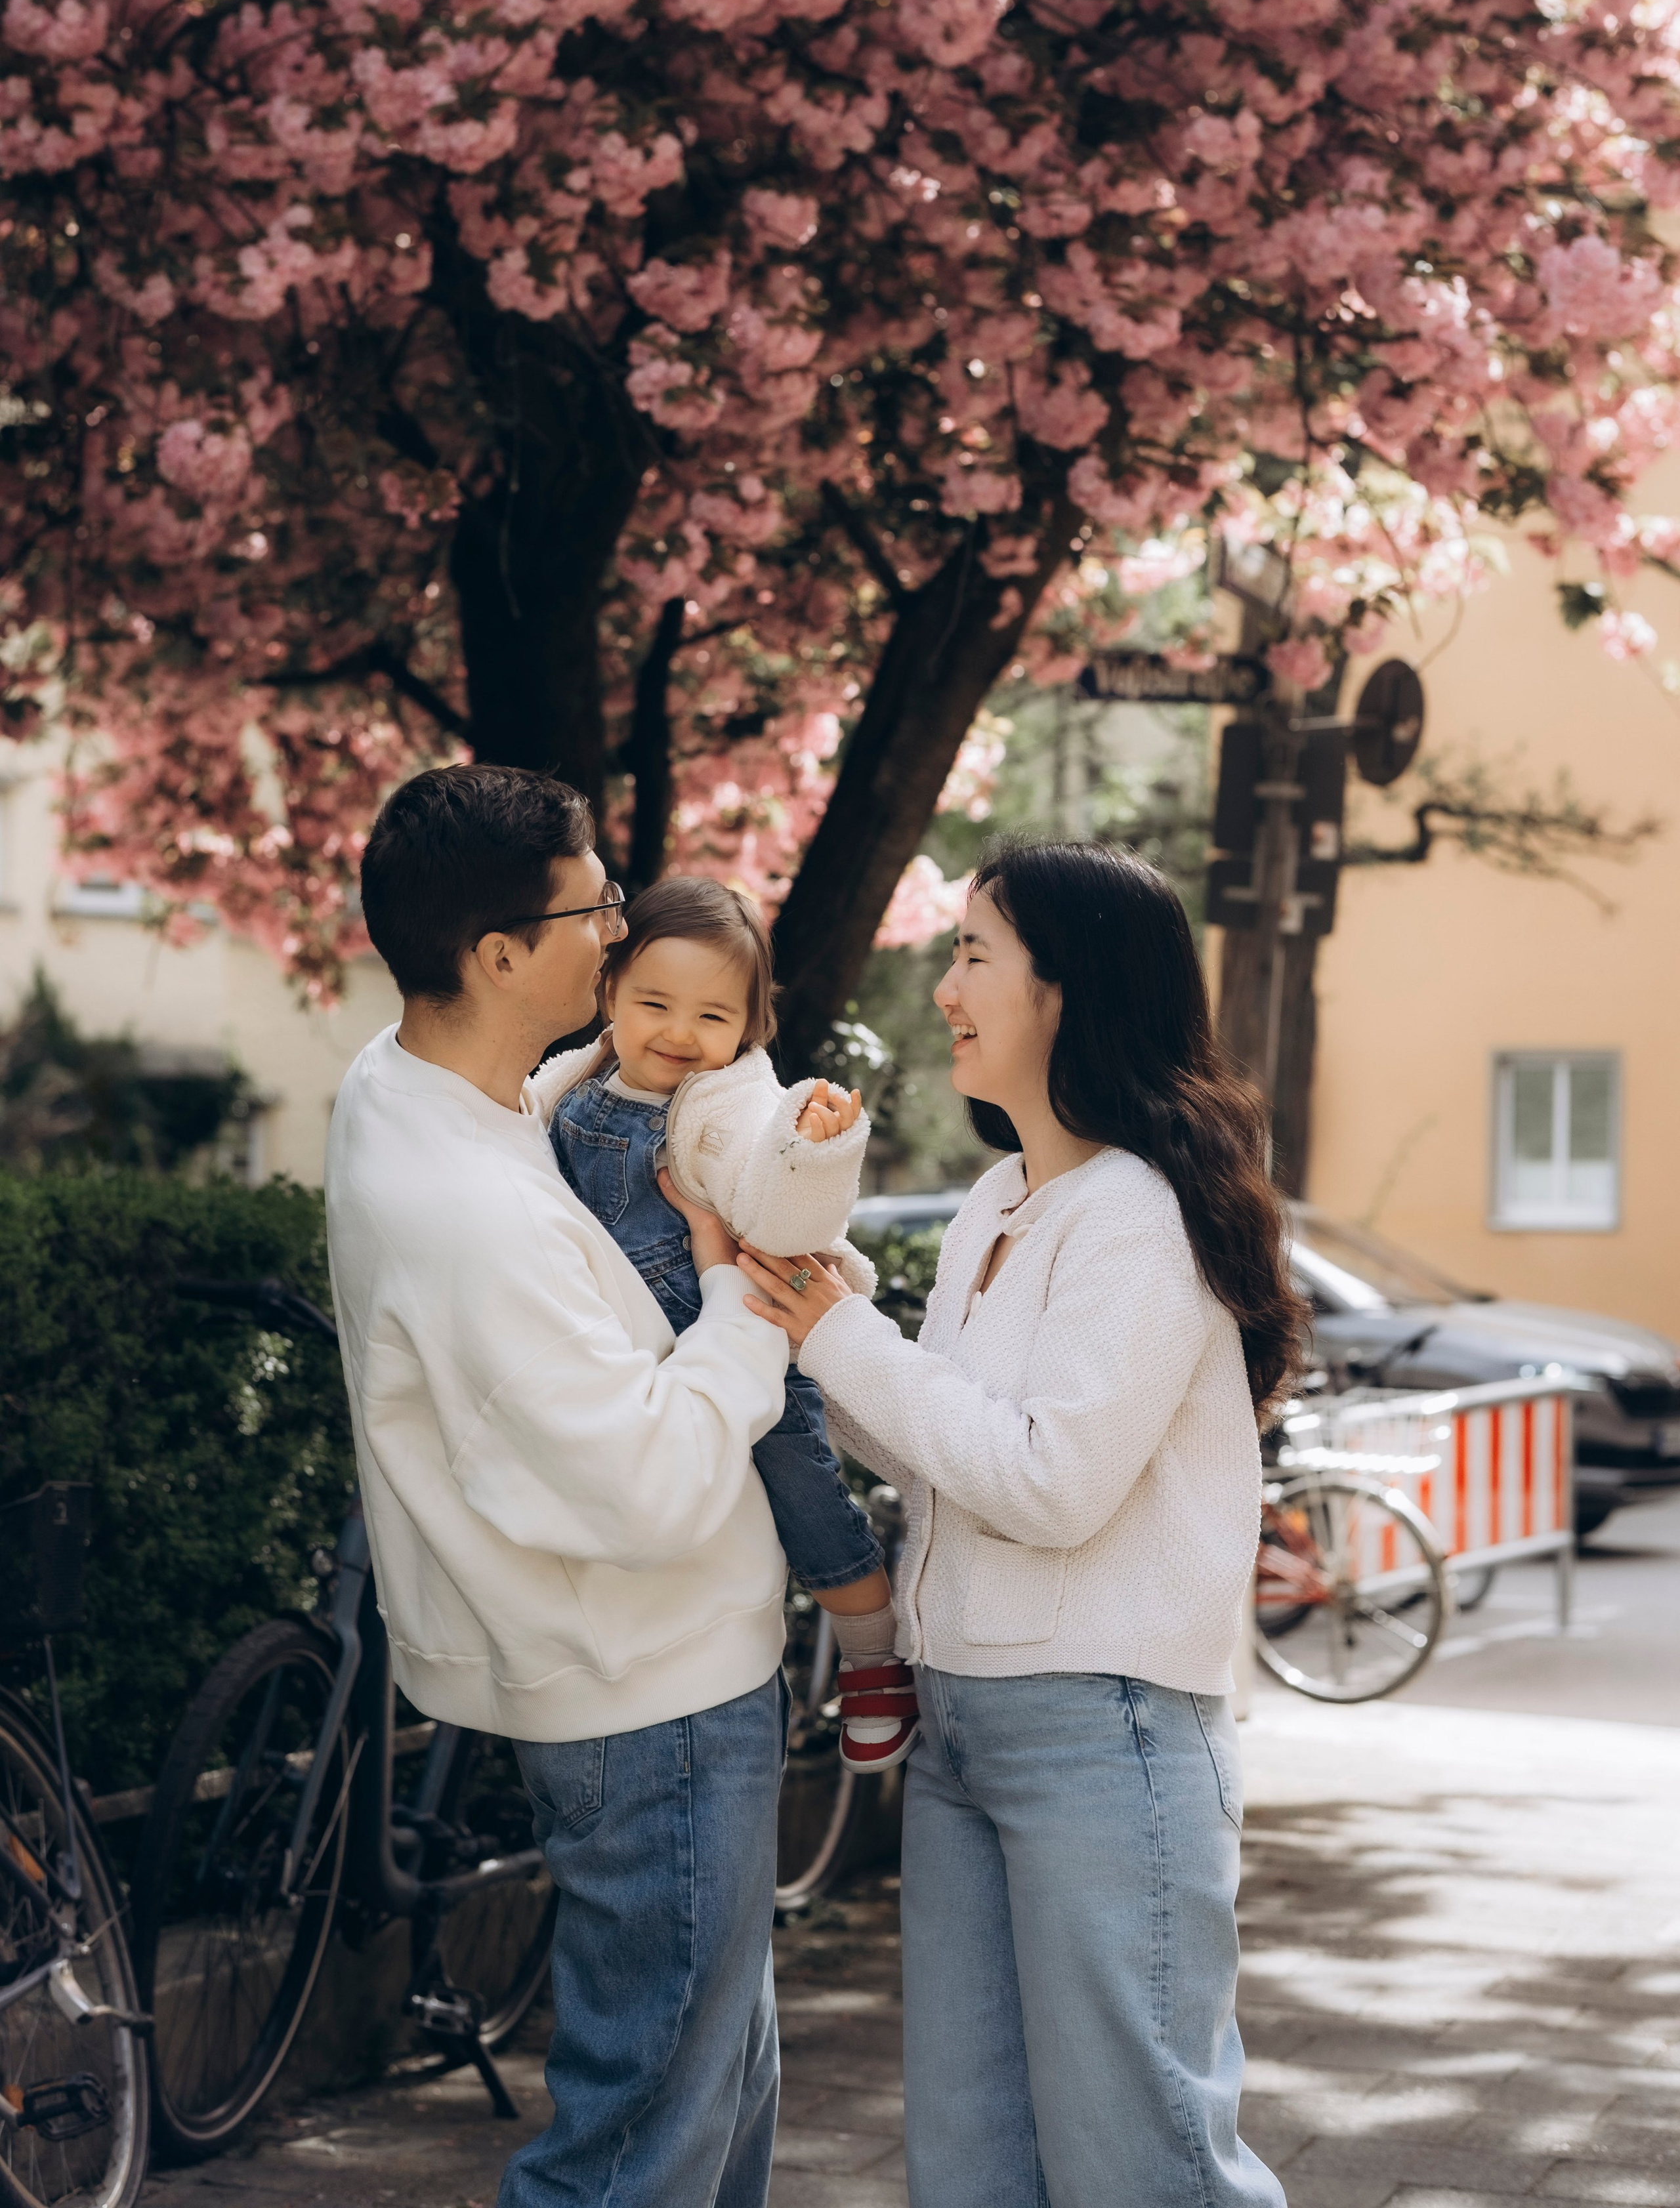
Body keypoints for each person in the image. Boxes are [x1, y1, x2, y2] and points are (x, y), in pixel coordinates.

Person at [735, 837, 1305, 2208]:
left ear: (1066, 989)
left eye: (973, 951)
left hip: (1102, 1731)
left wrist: (846, 1336)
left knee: (1143, 2161)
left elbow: (1050, 1480)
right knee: (972, 2160)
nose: (946, 985)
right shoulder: (1007, 1196)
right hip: (968, 1728)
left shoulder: (1137, 1215)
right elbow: (937, 1444)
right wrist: (819, 1313)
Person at [324, 765, 791, 2208]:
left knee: (709, 2102)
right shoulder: (465, 1211)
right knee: (638, 2140)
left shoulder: (414, 1087)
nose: (617, 932)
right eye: (592, 907)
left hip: (639, 1674)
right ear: (499, 954)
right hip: (647, 1688)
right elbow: (649, 1484)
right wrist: (741, 1306)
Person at [532, 872, 918, 1772]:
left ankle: (872, 1655)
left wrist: (806, 1154)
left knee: (805, 1490)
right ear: (611, 993)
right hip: (632, 1339)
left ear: (749, 1028)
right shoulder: (575, 1078)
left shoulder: (726, 1108)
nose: (678, 1033)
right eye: (654, 1003)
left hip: (745, 1325)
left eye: (712, 1017)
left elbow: (779, 1213)